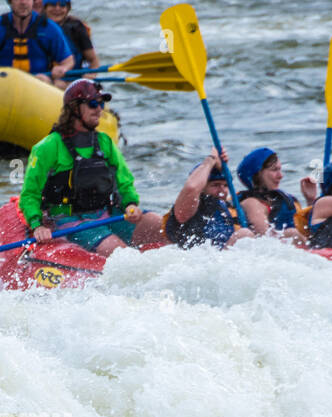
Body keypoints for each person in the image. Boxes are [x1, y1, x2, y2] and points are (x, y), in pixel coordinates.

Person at [20, 79, 164, 255]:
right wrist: (37, 225)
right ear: (74, 108)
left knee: (159, 224)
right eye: (93, 103)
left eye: (101, 103)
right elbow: (30, 193)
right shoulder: (48, 147)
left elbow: (124, 181)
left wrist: (130, 204)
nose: (99, 109)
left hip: (105, 214)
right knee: (119, 252)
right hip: (68, 221)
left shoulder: (104, 142)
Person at [163, 148, 254, 248]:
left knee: (245, 235)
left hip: (220, 259)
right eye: (215, 185)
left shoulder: (229, 207)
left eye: (225, 185)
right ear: (202, 187)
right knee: (244, 234)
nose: (222, 190)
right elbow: (192, 187)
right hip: (194, 259)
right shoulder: (191, 207)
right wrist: (211, 160)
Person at [0, 0, 73, 86]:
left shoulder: (49, 27)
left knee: (42, 79)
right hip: (4, 82)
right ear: (10, 1)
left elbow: (68, 61)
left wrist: (62, 68)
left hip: (39, 83)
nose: (23, 2)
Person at [235, 147, 311, 235]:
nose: (280, 175)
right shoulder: (251, 203)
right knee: (291, 233)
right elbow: (264, 237)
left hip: (292, 246)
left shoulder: (283, 199)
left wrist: (310, 200)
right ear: (257, 174)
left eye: (280, 169)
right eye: (274, 170)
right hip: (272, 246)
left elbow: (304, 228)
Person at [42, 0, 98, 76]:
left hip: (72, 78)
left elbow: (93, 60)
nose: (57, 9)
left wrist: (90, 76)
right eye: (52, 4)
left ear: (68, 8)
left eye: (62, 5)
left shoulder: (77, 27)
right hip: (45, 78)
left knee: (60, 84)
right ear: (45, 8)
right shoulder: (37, 27)